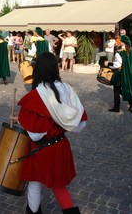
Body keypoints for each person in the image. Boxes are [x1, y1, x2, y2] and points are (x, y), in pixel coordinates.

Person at [13, 52, 87, 214]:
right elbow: (81, 124)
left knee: (34, 184)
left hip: (42, 151)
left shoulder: (36, 96)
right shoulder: (67, 89)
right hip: (61, 146)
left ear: (37, 70)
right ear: (55, 68)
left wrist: (20, 121)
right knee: (59, 186)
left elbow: (36, 134)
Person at [108, 35, 132, 112]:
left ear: (122, 42)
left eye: (120, 40)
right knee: (122, 89)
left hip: (120, 74)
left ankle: (116, 107)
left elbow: (117, 65)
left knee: (116, 90)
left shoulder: (119, 53)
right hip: (129, 74)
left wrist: (108, 64)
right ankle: (131, 103)